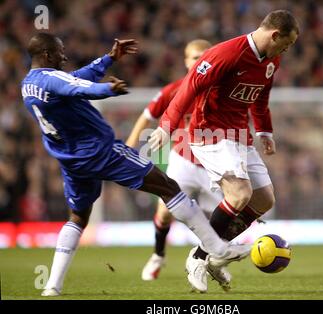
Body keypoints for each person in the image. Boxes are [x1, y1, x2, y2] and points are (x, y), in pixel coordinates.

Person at [21, 33, 250, 297]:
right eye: (60, 51)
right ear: (48, 55)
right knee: (168, 186)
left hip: (71, 160)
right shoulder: (52, 78)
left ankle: (52, 285)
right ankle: (217, 248)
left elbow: (76, 79)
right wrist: (108, 89)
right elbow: (79, 87)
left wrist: (109, 59)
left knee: (78, 218)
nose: (64, 56)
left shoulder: (28, 84)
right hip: (100, 151)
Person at [149, 10, 299, 292]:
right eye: (286, 44)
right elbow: (188, 89)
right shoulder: (226, 54)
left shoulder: (271, 60)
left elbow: (260, 98)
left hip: (239, 135)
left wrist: (265, 131)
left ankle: (215, 256)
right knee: (240, 194)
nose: (286, 50)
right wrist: (166, 126)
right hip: (209, 132)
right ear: (274, 35)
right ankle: (201, 256)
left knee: (264, 199)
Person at [126, 39, 226, 285]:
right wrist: (129, 145)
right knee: (165, 211)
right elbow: (147, 115)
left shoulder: (223, 90)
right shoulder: (175, 89)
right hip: (183, 162)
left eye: (204, 56)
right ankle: (158, 255)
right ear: (185, 61)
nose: (199, 61)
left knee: (224, 220)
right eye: (194, 57)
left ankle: (205, 260)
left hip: (215, 165)